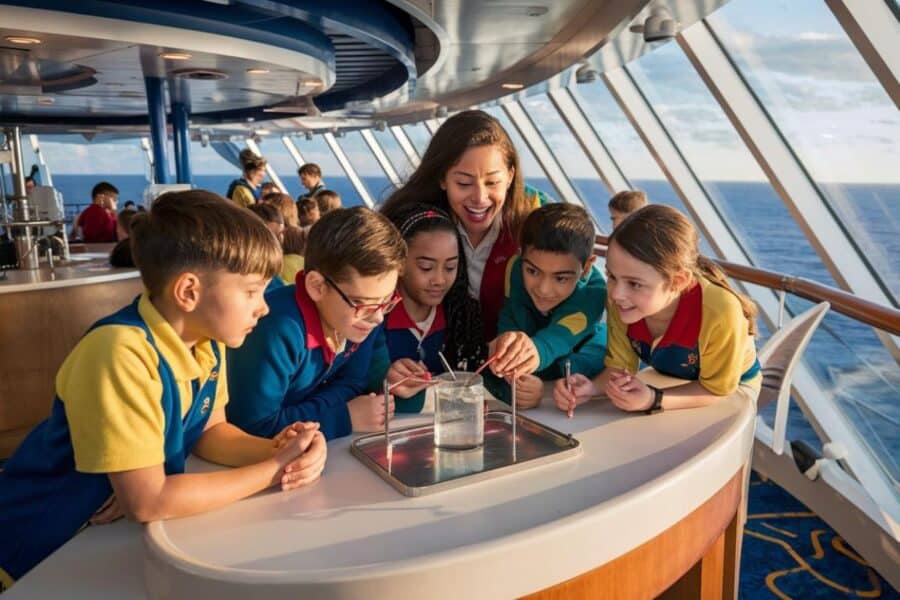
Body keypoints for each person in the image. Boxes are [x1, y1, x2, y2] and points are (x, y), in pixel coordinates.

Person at [0, 191, 326, 590]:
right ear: (188, 292)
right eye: (251, 291)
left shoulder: (206, 342)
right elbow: (148, 500)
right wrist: (272, 471)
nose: (264, 307)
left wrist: (285, 450)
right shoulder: (119, 352)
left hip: (109, 544)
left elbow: (210, 432)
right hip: (35, 553)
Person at [553, 205, 761, 416]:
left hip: (733, 388)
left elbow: (717, 389)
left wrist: (653, 399)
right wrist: (591, 388)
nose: (616, 294)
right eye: (612, 276)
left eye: (634, 283)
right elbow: (619, 368)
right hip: (668, 381)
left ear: (678, 281)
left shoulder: (721, 312)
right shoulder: (623, 301)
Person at [226, 207, 406, 440]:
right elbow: (254, 427)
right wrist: (343, 416)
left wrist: (306, 411)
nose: (378, 317)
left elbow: (353, 382)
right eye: (362, 303)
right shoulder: (277, 330)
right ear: (317, 286)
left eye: (387, 300)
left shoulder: (360, 317)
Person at [380, 109, 547, 350]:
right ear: (442, 178)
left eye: (492, 182)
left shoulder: (537, 218)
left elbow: (585, 288)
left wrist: (541, 348)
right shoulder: (412, 224)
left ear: (510, 177)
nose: (480, 197)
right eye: (464, 183)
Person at [486, 203, 608, 408]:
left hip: (580, 351)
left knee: (591, 357)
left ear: (587, 267)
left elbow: (559, 337)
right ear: (520, 255)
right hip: (536, 351)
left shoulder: (594, 293)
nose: (543, 289)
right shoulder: (515, 268)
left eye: (560, 278)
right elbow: (511, 314)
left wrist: (542, 386)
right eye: (533, 271)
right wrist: (505, 346)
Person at [369, 205, 485, 413]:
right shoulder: (372, 318)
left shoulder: (462, 317)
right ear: (399, 263)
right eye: (426, 267)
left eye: (450, 267)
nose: (439, 280)